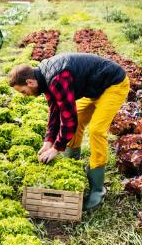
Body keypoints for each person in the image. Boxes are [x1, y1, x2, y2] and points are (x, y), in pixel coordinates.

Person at [8, 53, 130, 209]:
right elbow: (55, 111)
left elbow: (68, 118)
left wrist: (57, 148)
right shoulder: (43, 78)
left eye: (23, 91)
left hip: (113, 85)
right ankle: (72, 161)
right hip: (94, 88)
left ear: (30, 82)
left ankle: (98, 188)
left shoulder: (56, 78)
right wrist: (48, 142)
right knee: (77, 120)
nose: (25, 96)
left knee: (96, 131)